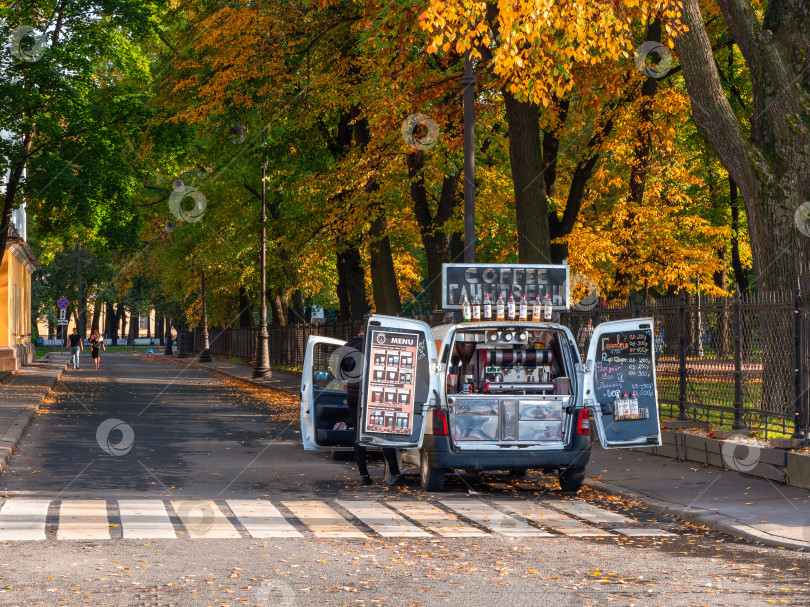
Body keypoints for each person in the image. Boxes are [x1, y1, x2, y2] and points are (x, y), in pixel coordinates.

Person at [343, 326, 405, 486]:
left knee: (358, 432)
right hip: (376, 392)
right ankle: (395, 472)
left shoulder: (348, 346)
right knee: (382, 429)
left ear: (359, 333)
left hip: (354, 392)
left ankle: (364, 475)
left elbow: (342, 373)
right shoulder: (378, 345)